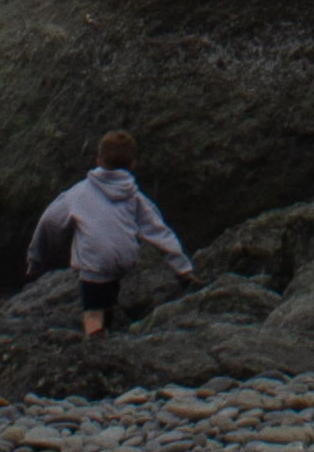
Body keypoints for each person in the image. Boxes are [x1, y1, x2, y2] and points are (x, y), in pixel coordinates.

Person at [24, 128, 195, 335]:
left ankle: (94, 336)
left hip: (94, 264)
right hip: (123, 260)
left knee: (93, 305)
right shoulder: (135, 196)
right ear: (132, 166)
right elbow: (160, 232)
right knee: (108, 291)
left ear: (98, 161)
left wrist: (36, 260)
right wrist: (183, 271)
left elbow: (49, 221)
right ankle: (108, 328)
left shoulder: (78, 192)